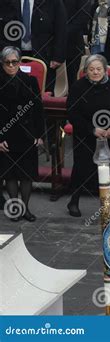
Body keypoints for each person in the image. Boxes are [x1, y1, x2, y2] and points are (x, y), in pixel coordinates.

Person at [66, 54, 110, 217]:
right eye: (91, 69)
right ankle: (74, 201)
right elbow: (72, 113)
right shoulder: (78, 87)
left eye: (98, 69)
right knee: (82, 167)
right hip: (87, 135)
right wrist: (92, 129)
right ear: (86, 71)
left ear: (105, 70)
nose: (95, 72)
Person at [0, 46, 45, 222]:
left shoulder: (30, 81)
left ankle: (25, 208)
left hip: (28, 134)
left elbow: (38, 110)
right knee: (10, 174)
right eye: (7, 63)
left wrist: (40, 135)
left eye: (14, 62)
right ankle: (15, 208)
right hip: (6, 135)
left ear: (19, 62)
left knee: (27, 174)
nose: (11, 66)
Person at [0, 0, 67, 92]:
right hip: (12, 57)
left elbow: (61, 29)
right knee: (12, 93)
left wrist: (57, 56)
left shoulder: (52, 2)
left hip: (45, 56)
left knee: (43, 94)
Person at [64, 0, 91, 90]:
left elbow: (83, 17)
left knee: (73, 81)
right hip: (50, 43)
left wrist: (61, 32)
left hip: (73, 43)